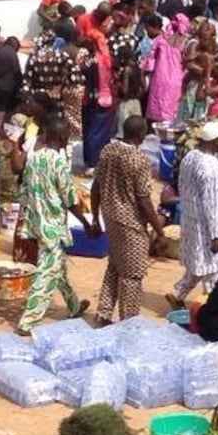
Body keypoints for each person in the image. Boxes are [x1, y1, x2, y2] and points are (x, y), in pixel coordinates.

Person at [14, 117, 92, 333]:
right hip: (53, 225)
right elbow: (70, 200)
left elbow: (25, 190)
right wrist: (86, 223)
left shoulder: (33, 159)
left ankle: (74, 305)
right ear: (65, 139)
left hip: (37, 222)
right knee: (46, 273)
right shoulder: (59, 163)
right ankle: (28, 321)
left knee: (58, 268)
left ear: (46, 137)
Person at [92, 116, 163, 324]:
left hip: (110, 218)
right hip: (131, 223)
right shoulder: (139, 160)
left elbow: (96, 186)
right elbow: (144, 199)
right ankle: (129, 323)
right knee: (132, 274)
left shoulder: (107, 151)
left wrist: (96, 217)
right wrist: (159, 231)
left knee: (115, 265)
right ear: (141, 135)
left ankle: (103, 313)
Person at [168, 121, 218, 307]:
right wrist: (216, 235)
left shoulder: (190, 157)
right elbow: (211, 202)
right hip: (209, 227)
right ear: (215, 141)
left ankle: (178, 293)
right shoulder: (210, 167)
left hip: (192, 220)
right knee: (214, 270)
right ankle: (211, 305)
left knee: (198, 264)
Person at [141, 14, 185, 123]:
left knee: (158, 109)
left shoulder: (159, 42)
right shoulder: (183, 40)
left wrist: (142, 73)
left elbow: (149, 64)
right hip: (177, 80)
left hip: (161, 78)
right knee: (172, 109)